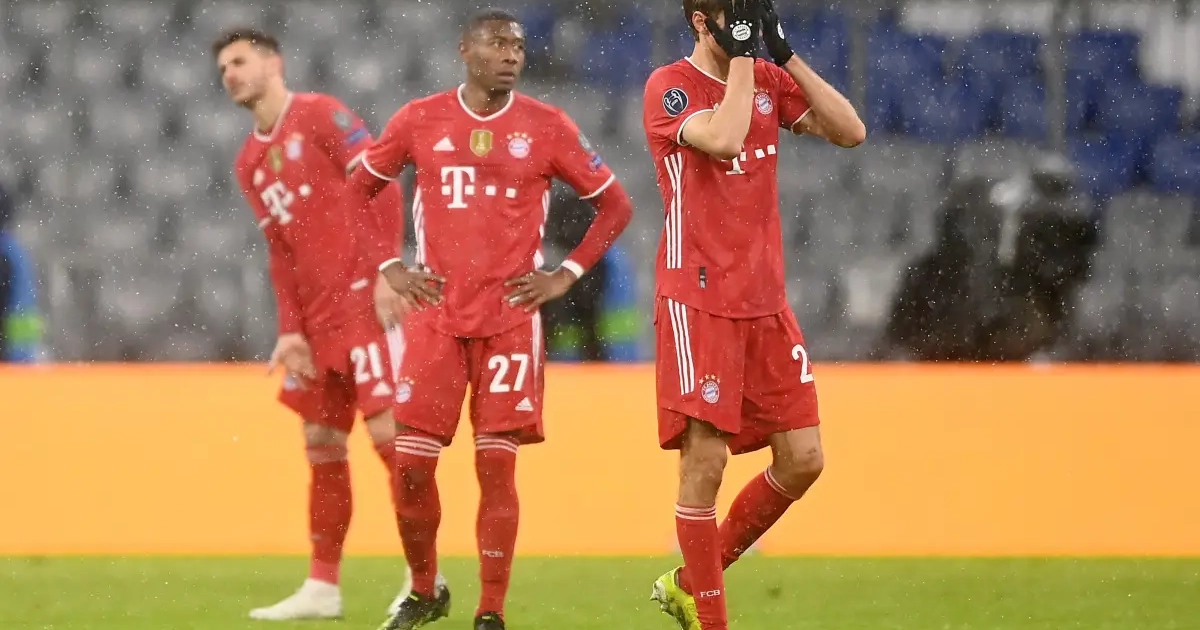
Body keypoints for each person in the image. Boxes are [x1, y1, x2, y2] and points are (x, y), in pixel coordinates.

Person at [344, 9, 634, 630]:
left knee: (495, 468)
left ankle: (491, 611)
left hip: (510, 320)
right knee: (411, 467)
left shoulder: (547, 126)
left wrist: (565, 275)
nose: (511, 55)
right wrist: (388, 266)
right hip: (435, 316)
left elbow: (615, 205)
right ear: (465, 50)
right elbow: (356, 190)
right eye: (497, 43)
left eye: (518, 46)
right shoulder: (419, 119)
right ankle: (426, 589)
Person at [640, 1, 866, 629]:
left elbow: (851, 131)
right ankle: (713, 620)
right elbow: (724, 139)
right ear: (700, 21)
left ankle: (692, 581)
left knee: (804, 458)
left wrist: (785, 54)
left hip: (765, 301)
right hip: (698, 299)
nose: (744, 25)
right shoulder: (669, 87)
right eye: (731, 13)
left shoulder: (766, 77)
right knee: (705, 463)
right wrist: (744, 56)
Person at [214, 27, 429, 621]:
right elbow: (280, 252)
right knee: (322, 442)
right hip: (316, 321)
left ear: (273, 63)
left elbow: (382, 184)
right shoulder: (249, 162)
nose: (230, 74)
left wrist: (387, 269)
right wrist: (290, 329)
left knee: (390, 437)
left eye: (239, 61)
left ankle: (424, 574)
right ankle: (323, 586)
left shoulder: (321, 116)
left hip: (363, 300)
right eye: (223, 68)